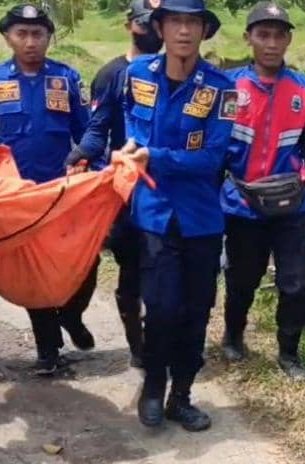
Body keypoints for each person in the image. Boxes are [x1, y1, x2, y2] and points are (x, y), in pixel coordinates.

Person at [120, 0, 234, 431]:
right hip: (152, 214)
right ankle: (152, 385)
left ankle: (181, 396)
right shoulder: (137, 75)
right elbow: (131, 126)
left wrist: (157, 156)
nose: (184, 31)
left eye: (193, 23)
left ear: (204, 31)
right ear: (160, 28)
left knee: (196, 310)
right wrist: (132, 149)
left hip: (201, 218)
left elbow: (212, 157)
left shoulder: (222, 88)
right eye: (175, 22)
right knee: (162, 307)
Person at [220, 1, 305, 381]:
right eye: (263, 34)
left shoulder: (303, 88)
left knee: (296, 282)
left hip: (291, 203)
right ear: (249, 38)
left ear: (288, 40)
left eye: (279, 35)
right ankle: (234, 335)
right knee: (243, 279)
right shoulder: (229, 86)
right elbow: (215, 145)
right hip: (243, 203)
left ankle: (289, 354)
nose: (271, 43)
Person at [0, 4, 95, 376]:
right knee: (33, 273)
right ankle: (48, 350)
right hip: (19, 198)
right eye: (21, 34)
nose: (30, 42)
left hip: (62, 193)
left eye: (38, 34)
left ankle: (72, 316)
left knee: (84, 263)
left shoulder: (67, 78)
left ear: (49, 37)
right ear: (8, 37)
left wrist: (93, 164)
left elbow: (86, 129)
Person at [64, 0, 162, 369]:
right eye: (146, 24)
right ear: (129, 26)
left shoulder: (172, 72)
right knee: (101, 265)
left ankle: (147, 343)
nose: (152, 31)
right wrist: (78, 157)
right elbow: (97, 128)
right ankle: (81, 319)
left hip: (157, 187)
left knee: (147, 270)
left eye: (159, 24)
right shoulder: (112, 74)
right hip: (117, 188)